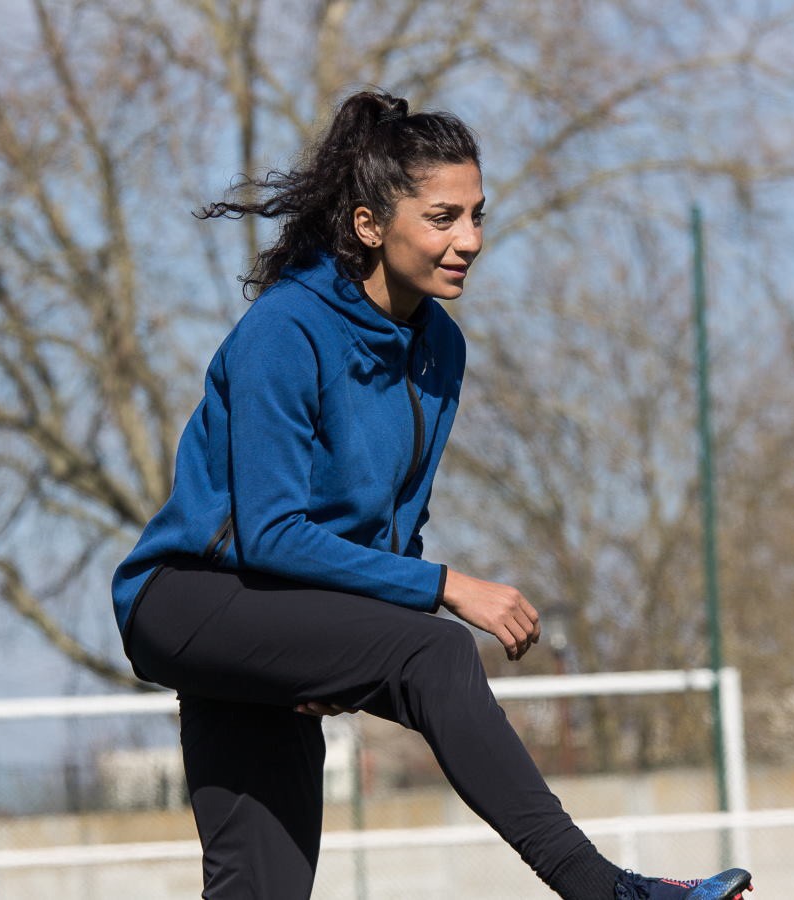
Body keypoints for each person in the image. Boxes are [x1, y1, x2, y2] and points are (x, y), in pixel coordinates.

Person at [111, 89, 754, 900]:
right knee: (438, 648)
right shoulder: (285, 330)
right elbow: (271, 533)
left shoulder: (439, 349)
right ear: (369, 225)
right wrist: (445, 591)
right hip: (192, 601)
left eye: (478, 216)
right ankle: (608, 892)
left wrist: (348, 646)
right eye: (444, 218)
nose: (470, 241)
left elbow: (388, 537)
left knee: (259, 891)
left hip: (281, 615)